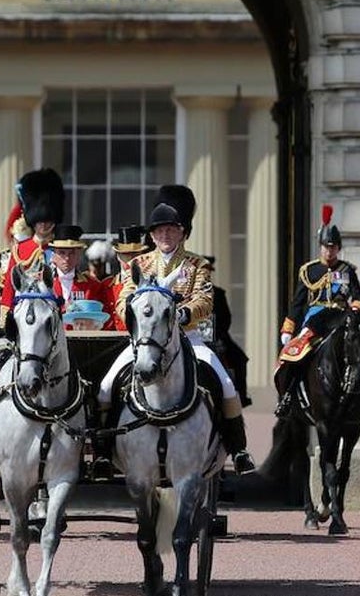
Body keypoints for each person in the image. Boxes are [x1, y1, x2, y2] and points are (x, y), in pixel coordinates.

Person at [93, 185, 257, 477]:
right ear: (152, 235)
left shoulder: (196, 265)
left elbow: (206, 300)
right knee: (105, 386)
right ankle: (104, 452)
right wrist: (134, 315)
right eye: (160, 231)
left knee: (227, 384)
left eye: (171, 231)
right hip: (145, 341)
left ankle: (238, 448)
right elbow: (123, 298)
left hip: (188, 338)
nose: (165, 236)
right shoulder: (139, 264)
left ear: (182, 233)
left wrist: (184, 313)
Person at [276, 204, 360, 422]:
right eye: (327, 247)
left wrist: (356, 306)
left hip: (341, 318)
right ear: (321, 247)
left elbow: (358, 295)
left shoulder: (347, 270)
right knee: (294, 354)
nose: (330, 251)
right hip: (316, 319)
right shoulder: (309, 271)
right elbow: (298, 303)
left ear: (339, 248)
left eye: (334, 247)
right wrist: (289, 327)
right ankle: (287, 396)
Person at [0, 168, 64, 325]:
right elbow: (9, 288)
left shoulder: (61, 248)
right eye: (40, 221)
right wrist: (5, 318)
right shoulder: (20, 250)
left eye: (47, 221)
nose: (43, 225)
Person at [203, 256, 252, 408]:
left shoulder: (218, 293)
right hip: (193, 337)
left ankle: (242, 396)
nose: (205, 275)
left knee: (240, 359)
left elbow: (226, 318)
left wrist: (218, 334)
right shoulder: (187, 292)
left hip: (217, 337)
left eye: (208, 272)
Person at [47, 224, 112, 327]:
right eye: (62, 253)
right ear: (54, 255)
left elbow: (103, 321)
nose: (67, 258)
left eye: (71, 253)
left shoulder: (92, 286)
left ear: (79, 255)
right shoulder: (44, 284)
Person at [106, 225, 151, 331]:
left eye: (135, 255)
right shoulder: (106, 286)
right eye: (125, 255)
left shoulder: (150, 284)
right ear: (117, 256)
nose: (131, 260)